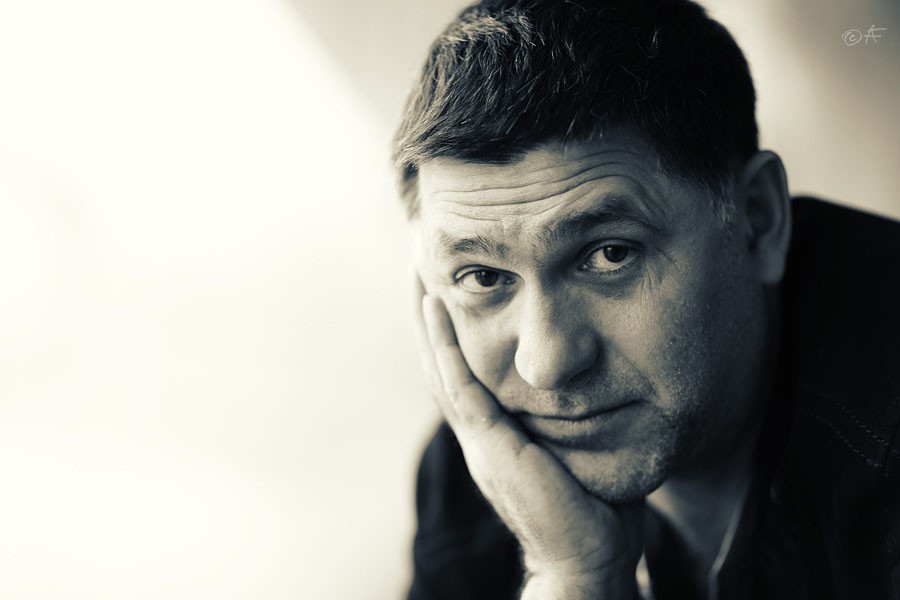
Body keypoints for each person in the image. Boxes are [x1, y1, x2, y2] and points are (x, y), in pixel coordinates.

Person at [392, 1, 900, 598]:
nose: (546, 366)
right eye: (483, 277)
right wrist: (574, 575)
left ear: (757, 221)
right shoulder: (479, 469)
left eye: (610, 254)